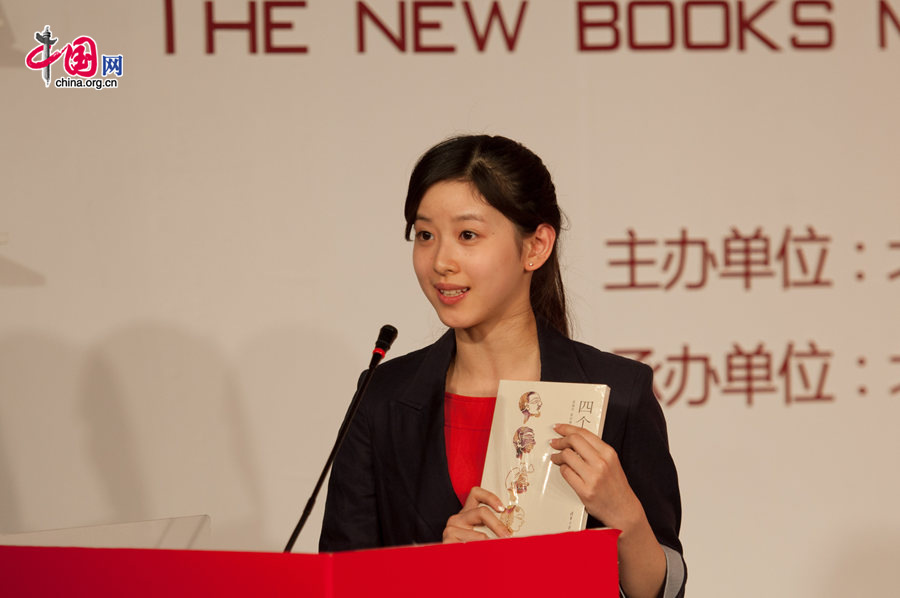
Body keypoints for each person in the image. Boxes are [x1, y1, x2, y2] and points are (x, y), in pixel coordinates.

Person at [319, 135, 685, 598]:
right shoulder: (382, 396)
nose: (441, 262)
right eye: (425, 235)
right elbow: (343, 582)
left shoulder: (619, 392)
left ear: (536, 246)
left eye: (467, 235)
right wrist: (435, 568)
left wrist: (625, 514)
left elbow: (660, 589)